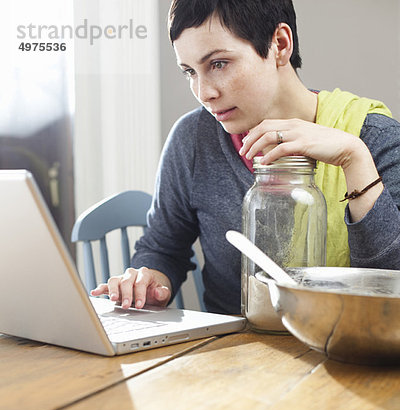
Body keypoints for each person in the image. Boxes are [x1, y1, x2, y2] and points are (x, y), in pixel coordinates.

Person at [92, 0, 400, 314]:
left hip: (346, 349)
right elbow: (163, 248)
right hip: (233, 355)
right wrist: (149, 281)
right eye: (189, 72)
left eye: (218, 64)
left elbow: (392, 282)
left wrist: (354, 159)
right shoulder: (192, 139)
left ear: (279, 44)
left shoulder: (372, 138)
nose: (204, 92)